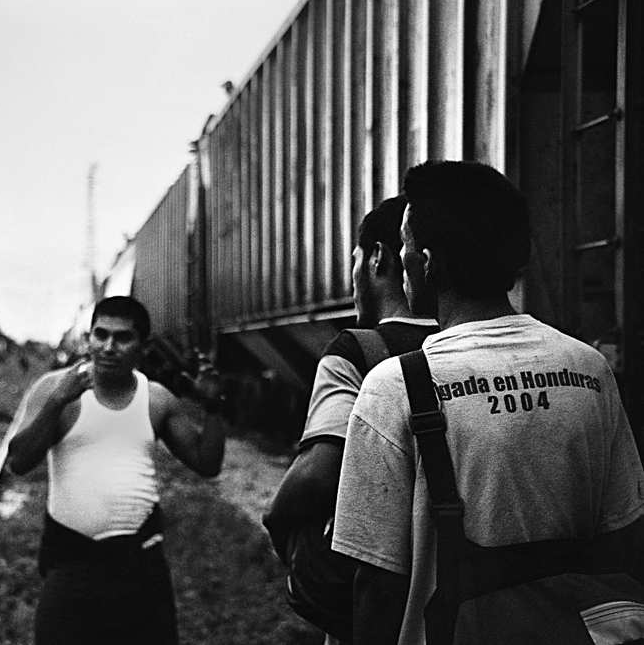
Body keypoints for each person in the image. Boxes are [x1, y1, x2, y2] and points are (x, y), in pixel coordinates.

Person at [331, 161, 644, 644]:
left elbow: (376, 585)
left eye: (406, 244)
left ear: (428, 263)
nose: (402, 257)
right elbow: (623, 537)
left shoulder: (394, 388)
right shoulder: (589, 370)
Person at [262, 195, 438, 644]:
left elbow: (321, 472)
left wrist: (276, 518)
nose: (354, 275)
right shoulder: (465, 346)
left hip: (376, 602)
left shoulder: (355, 352)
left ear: (379, 257)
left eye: (356, 259)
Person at [6, 295, 225, 645]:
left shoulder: (156, 399)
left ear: (143, 346)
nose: (109, 347)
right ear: (88, 337)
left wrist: (214, 405)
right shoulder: (54, 388)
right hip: (72, 560)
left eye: (123, 338)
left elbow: (206, 462)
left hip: (140, 565)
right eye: (100, 334)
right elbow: (18, 461)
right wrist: (57, 401)